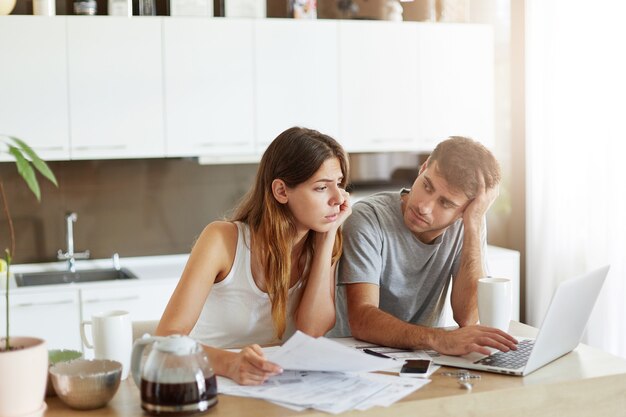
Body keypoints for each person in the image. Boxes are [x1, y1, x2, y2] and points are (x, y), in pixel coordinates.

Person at [156, 127, 351, 385]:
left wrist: (327, 240)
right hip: (208, 381)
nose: (338, 198)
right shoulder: (222, 240)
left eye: (339, 184)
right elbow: (166, 340)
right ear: (281, 191)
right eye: (321, 188)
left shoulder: (325, 240)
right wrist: (231, 364)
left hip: (270, 386)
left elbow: (311, 331)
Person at [332, 136, 518, 356]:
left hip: (423, 358)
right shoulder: (368, 217)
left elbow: (467, 317)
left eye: (446, 203)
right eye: (427, 186)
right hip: (358, 355)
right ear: (423, 168)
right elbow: (362, 319)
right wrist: (438, 339)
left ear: (464, 212)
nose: (424, 207)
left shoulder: (468, 225)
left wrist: (474, 224)